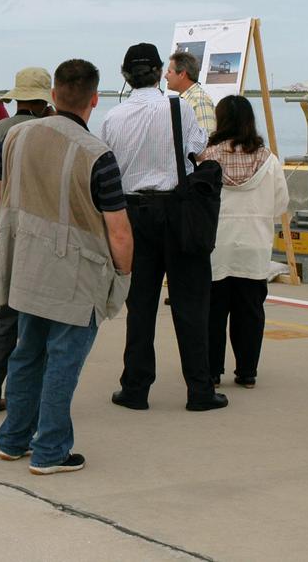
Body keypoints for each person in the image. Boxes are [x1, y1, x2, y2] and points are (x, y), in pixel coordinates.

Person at [0, 59, 132, 474]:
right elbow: (118, 230)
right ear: (94, 99)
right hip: (76, 275)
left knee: (27, 352)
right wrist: (123, 275)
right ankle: (50, 450)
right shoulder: (97, 155)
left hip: (25, 266)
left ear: (54, 95)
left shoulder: (14, 139)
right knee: (64, 359)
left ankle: (13, 439)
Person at [101, 43, 225, 412]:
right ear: (159, 73)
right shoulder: (179, 108)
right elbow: (200, 151)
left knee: (140, 305)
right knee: (191, 303)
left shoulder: (113, 118)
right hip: (177, 211)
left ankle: (135, 387)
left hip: (133, 214)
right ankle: (199, 389)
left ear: (125, 76)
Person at [0, 66, 54, 415]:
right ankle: (33, 398)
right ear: (45, 101)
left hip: (4, 231)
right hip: (42, 233)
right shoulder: (48, 134)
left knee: (5, 318)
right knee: (46, 320)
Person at [197, 95, 289, 389]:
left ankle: (212, 371)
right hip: (255, 244)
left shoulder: (206, 157)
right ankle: (247, 371)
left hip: (216, 245)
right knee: (250, 311)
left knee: (213, 311)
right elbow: (280, 204)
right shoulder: (268, 160)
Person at [166, 50, 216, 134]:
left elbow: (207, 139)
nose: (165, 76)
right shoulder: (188, 99)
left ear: (182, 74)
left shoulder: (199, 100)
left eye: (169, 72)